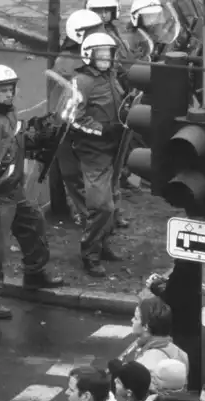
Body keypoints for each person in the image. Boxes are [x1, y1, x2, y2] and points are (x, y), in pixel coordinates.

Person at [0, 65, 64, 302]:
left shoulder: (6, 112)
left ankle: (34, 274)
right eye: (3, 90)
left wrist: (34, 138)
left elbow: (13, 141)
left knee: (33, 225)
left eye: (11, 89)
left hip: (13, 188)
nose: (10, 94)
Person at [65, 33, 127, 277]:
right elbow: (72, 117)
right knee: (102, 206)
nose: (105, 58)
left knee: (112, 200)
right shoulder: (81, 81)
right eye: (100, 53)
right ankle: (89, 252)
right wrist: (102, 130)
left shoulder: (111, 76)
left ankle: (103, 245)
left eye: (109, 53)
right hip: (94, 152)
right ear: (88, 54)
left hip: (115, 149)